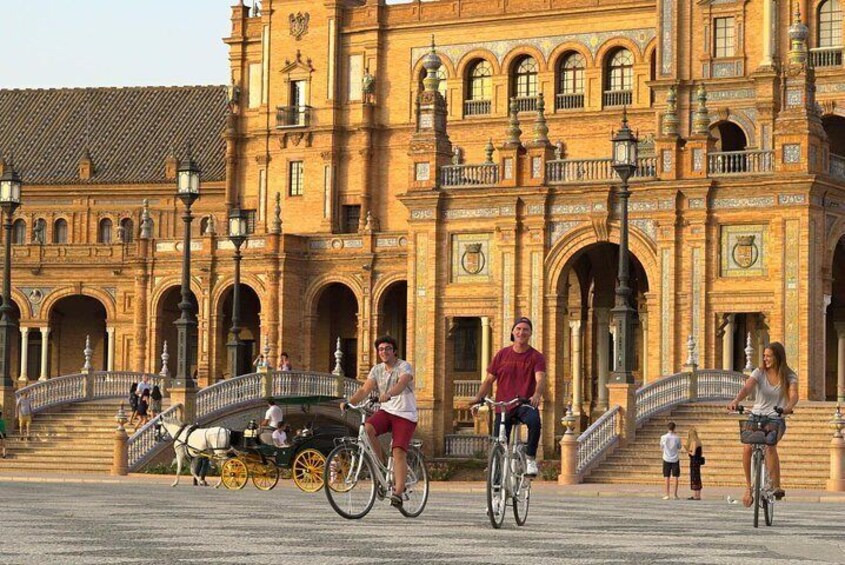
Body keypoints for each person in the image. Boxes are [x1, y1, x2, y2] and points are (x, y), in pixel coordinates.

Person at [341, 335, 417, 509]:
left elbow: (402, 383)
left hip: (405, 414)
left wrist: (389, 393)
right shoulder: (377, 369)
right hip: (387, 411)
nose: (384, 352)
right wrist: (349, 402)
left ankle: (398, 493)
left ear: (394, 351)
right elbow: (365, 389)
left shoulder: (404, 366)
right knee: (367, 428)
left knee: (398, 451)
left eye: (388, 348)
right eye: (381, 349)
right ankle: (382, 464)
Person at [470, 317, 546, 478]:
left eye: (525, 329)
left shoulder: (536, 357)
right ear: (513, 332)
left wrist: (537, 394)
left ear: (530, 333)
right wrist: (478, 398)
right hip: (503, 406)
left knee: (535, 422)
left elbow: (540, 379)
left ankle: (530, 457)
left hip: (523, 404)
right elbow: (489, 380)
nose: (521, 332)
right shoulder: (502, 355)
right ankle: (496, 491)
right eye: (518, 329)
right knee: (498, 445)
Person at [727, 341, 798, 507]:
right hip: (756, 415)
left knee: (770, 446)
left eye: (768, 356)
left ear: (778, 357)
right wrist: (736, 400)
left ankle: (776, 486)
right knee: (746, 447)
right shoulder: (759, 372)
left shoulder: (789, 375)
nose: (765, 359)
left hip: (775, 417)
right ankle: (748, 487)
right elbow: (747, 388)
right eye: (764, 356)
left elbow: (793, 394)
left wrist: (788, 408)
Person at [660, 421, 682, 500]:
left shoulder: (663, 437)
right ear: (674, 428)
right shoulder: (677, 437)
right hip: (675, 458)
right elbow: (679, 447)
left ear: (668, 428)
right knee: (675, 476)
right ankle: (675, 494)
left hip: (666, 458)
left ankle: (667, 494)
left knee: (666, 476)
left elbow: (661, 446)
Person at [684, 427, 704, 500]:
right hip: (698, 462)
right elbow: (701, 453)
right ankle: (698, 495)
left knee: (694, 477)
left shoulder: (694, 442)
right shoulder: (699, 442)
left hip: (694, 462)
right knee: (698, 477)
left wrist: (687, 450)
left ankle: (695, 495)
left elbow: (693, 453)